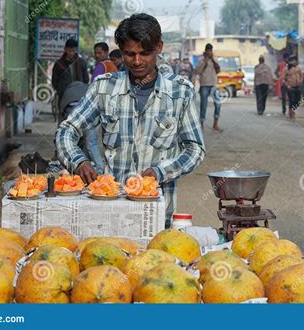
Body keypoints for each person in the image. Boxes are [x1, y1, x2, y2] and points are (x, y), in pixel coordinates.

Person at [56, 13, 205, 227]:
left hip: (157, 216)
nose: (137, 62)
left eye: (144, 54)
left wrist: (160, 172)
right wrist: (79, 161)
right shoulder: (104, 88)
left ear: (159, 48)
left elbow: (195, 149)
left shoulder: (180, 91)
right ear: (120, 50)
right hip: (109, 212)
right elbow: (66, 131)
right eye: (129, 54)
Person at [59, 81, 105, 174]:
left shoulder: (67, 93)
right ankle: (100, 169)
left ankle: (84, 165)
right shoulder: (88, 89)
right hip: (90, 111)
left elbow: (64, 123)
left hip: (72, 110)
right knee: (92, 141)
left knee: (73, 138)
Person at [195, 43, 222, 132]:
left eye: (211, 50)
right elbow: (197, 71)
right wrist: (205, 62)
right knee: (204, 105)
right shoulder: (201, 59)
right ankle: (201, 124)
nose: (209, 52)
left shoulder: (215, 59)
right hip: (204, 84)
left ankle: (215, 124)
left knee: (218, 103)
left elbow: (218, 70)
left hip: (213, 84)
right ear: (206, 50)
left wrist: (213, 61)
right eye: (208, 50)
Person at [51, 39, 89, 103]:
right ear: (65, 49)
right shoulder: (59, 63)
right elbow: (55, 80)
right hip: (64, 94)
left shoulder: (82, 62)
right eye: (69, 50)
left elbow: (86, 79)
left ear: (76, 50)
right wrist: (60, 90)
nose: (71, 53)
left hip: (78, 94)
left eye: (73, 51)